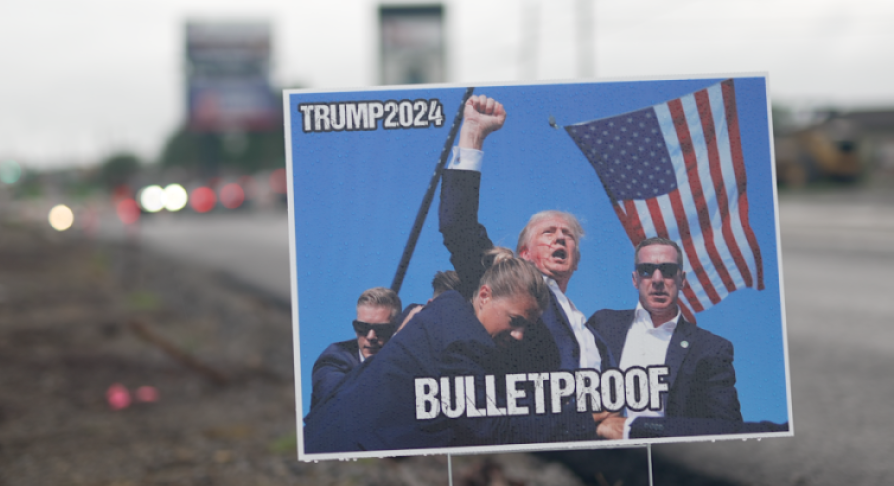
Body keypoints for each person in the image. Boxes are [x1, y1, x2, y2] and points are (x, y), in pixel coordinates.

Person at [438, 94, 602, 439]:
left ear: (577, 259)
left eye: (568, 235)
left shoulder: (592, 331)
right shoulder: (507, 286)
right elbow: (459, 226)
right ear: (524, 253)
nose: (560, 239)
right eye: (548, 233)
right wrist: (473, 134)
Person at [303, 248, 552, 453]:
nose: (519, 336)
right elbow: (491, 427)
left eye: (526, 328)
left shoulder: (444, 325)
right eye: (515, 321)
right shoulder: (461, 343)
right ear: (484, 296)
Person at [586, 237, 744, 439]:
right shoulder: (603, 324)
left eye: (668, 271)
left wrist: (633, 429)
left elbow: (728, 428)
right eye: (647, 270)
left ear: (682, 280)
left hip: (668, 458)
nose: (658, 279)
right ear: (635, 279)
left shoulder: (710, 349)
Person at [308, 287, 401, 410]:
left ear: (396, 330)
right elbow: (339, 400)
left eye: (381, 329)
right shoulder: (333, 359)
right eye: (362, 327)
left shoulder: (407, 360)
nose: (371, 336)